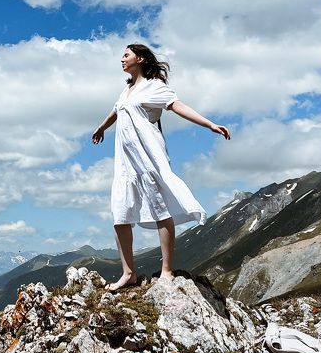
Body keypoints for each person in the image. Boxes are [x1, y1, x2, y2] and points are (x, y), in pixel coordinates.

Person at [92, 44, 230, 290]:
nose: (121, 59)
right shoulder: (126, 90)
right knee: (120, 215)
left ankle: (167, 270)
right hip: (126, 163)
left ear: (141, 58)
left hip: (148, 158)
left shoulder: (155, 87)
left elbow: (178, 106)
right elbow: (116, 111)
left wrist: (209, 124)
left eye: (126, 55)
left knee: (160, 209)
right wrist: (102, 127)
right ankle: (128, 273)